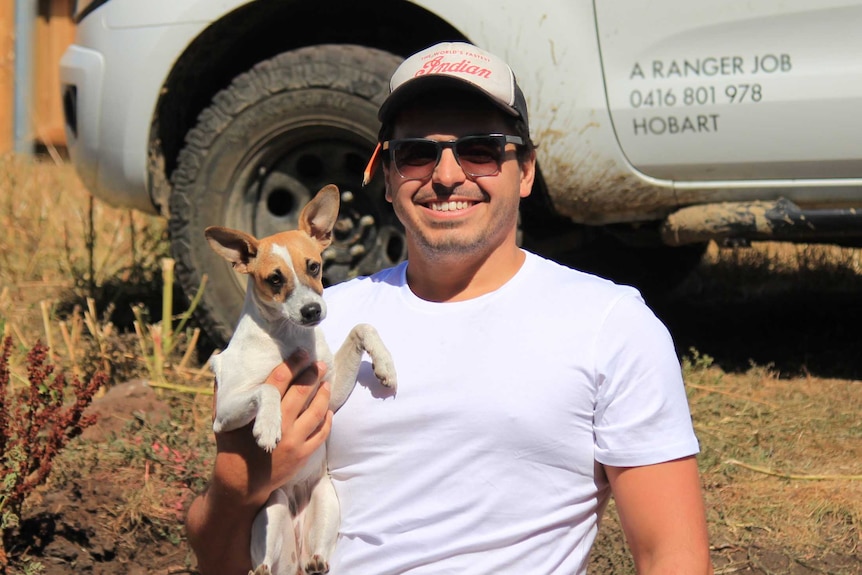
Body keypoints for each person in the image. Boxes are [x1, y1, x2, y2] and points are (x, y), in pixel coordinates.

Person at [186, 41, 713, 574]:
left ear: (526, 170)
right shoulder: (317, 325)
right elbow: (216, 554)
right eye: (416, 153)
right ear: (387, 177)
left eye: (480, 149)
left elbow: (671, 554)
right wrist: (237, 484)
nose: (445, 175)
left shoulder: (610, 324)